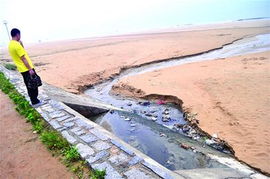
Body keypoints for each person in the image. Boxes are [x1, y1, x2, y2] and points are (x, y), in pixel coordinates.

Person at [8, 28, 42, 107]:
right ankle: (35, 101)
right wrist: (30, 69)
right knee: (33, 85)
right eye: (20, 35)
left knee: (28, 85)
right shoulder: (16, 45)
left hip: (22, 69)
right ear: (17, 34)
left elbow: (22, 52)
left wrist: (21, 44)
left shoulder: (11, 44)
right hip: (27, 69)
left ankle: (33, 100)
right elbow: (23, 58)